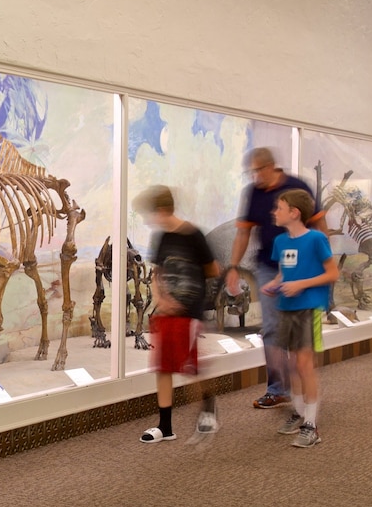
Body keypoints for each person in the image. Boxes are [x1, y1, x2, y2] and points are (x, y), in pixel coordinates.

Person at [225, 147, 326, 409]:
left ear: (271, 167)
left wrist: (322, 263)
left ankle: (305, 397)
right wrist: (233, 267)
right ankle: (278, 389)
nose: (255, 176)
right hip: (270, 267)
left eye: (258, 170)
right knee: (271, 328)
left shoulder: (297, 187)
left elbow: (318, 224)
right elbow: (243, 233)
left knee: (298, 335)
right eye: (252, 172)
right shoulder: (253, 194)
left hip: (302, 269)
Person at [134, 186, 220, 443]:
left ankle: (208, 407)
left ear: (162, 210)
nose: (150, 220)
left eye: (151, 214)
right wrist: (162, 299)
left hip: (188, 314)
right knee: (164, 367)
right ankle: (165, 426)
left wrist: (188, 295)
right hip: (166, 313)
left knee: (189, 366)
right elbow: (157, 273)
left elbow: (212, 269)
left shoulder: (194, 235)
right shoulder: (162, 238)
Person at [260, 189, 338, 447]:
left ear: (294, 213)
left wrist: (302, 285)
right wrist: (274, 283)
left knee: (304, 366)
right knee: (292, 366)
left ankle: (311, 426)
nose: (275, 212)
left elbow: (332, 274)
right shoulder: (281, 242)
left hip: (309, 308)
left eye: (279, 208)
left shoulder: (316, 239)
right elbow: (284, 273)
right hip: (286, 307)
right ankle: (299, 411)